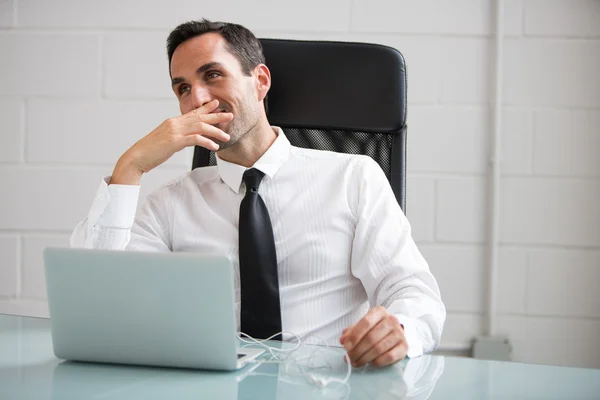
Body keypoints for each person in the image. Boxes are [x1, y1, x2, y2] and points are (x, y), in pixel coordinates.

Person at [71, 19, 445, 368]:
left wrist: (399, 332)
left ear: (260, 81)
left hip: (324, 383)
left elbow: (412, 291)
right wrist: (130, 167)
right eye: (183, 88)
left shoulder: (353, 178)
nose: (197, 98)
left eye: (212, 75)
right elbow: (101, 307)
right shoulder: (170, 204)